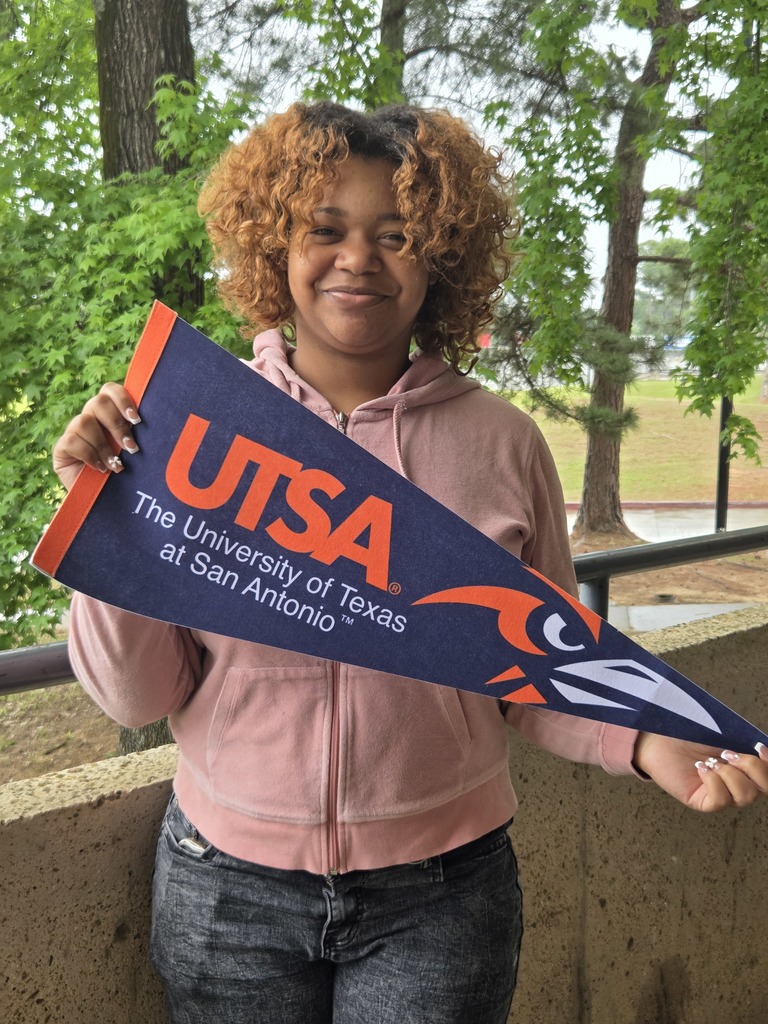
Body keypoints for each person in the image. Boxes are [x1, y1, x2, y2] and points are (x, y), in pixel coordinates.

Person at [52, 102, 768, 1024]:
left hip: (443, 895)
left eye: (396, 235)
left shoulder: (504, 444)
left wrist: (645, 737)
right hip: (226, 887)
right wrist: (106, 524)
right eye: (325, 229)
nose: (358, 257)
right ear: (274, 246)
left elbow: (538, 664)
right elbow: (137, 697)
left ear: (441, 259)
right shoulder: (193, 431)